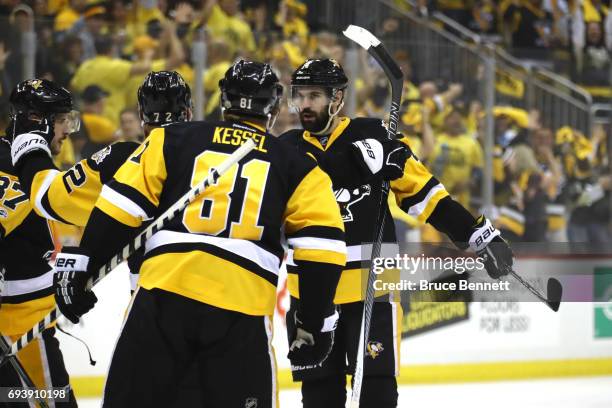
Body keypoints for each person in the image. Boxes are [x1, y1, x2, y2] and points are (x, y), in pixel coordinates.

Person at [46, 60, 347, 407]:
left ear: (223, 102)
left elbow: (121, 207)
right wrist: (313, 323)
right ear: (275, 109)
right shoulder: (298, 165)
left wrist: (83, 265)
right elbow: (322, 250)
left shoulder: (170, 138)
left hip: (162, 299)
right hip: (241, 309)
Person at [280, 58, 514, 408]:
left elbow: (426, 195)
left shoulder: (374, 135)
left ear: (338, 98)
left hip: (372, 288)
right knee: (319, 395)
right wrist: (353, 164)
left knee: (378, 393)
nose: (306, 104)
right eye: (301, 95)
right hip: (313, 295)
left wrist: (477, 236)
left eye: (316, 95)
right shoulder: (287, 149)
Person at [13, 71, 193, 292]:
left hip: (156, 297)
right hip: (233, 291)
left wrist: (29, 146)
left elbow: (49, 199)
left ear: (141, 115)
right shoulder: (222, 157)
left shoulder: (125, 158)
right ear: (189, 113)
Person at [0, 79, 80, 407]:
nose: (67, 130)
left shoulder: (24, 163)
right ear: (40, 122)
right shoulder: (11, 168)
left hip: (27, 318)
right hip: (19, 326)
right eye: (62, 121)